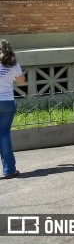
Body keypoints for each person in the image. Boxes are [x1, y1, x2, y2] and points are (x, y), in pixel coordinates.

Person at [0, 39, 26, 179]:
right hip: (6, 102)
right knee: (4, 134)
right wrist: (13, 78)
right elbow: (21, 81)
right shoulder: (12, 63)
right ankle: (9, 170)